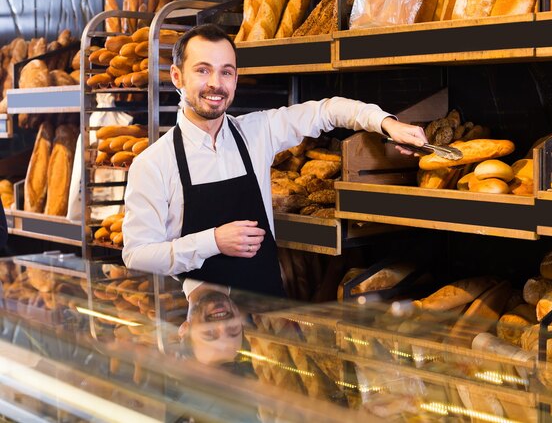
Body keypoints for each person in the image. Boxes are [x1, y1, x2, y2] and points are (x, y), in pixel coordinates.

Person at [122, 23, 427, 297]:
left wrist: (388, 124)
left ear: (235, 78)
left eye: (226, 71)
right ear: (177, 76)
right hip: (204, 332)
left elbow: (327, 110)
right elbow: (137, 255)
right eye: (203, 70)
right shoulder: (153, 164)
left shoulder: (256, 133)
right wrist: (212, 241)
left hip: (268, 322)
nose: (216, 83)